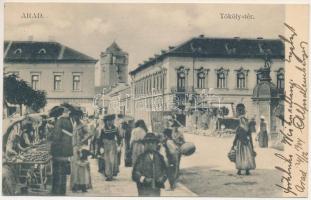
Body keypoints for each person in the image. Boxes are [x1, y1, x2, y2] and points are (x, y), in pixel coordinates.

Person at [132, 132, 168, 196]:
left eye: (153, 143)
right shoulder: (141, 157)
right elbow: (135, 173)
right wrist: (143, 179)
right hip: (143, 188)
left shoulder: (160, 157)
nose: (150, 145)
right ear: (144, 145)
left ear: (156, 145)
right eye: (148, 143)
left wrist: (162, 178)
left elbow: (165, 170)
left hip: (156, 188)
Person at [51, 107, 74, 195]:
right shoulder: (68, 121)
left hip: (59, 151)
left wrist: (52, 149)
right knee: (63, 172)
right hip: (67, 151)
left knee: (57, 171)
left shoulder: (59, 121)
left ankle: (56, 191)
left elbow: (56, 137)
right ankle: (62, 191)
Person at [70, 109, 92, 192]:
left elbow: (90, 133)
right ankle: (76, 184)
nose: (75, 117)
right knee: (75, 167)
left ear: (79, 116)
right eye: (74, 115)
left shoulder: (83, 124)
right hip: (74, 148)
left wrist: (83, 140)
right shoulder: (74, 124)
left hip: (81, 148)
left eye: (76, 115)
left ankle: (83, 185)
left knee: (82, 167)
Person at [163, 116, 185, 190]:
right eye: (173, 126)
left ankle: (173, 182)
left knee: (175, 166)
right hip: (170, 151)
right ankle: (172, 183)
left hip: (176, 151)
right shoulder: (168, 131)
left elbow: (183, 141)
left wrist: (179, 142)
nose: (174, 128)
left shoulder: (179, 133)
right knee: (172, 167)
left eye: (175, 126)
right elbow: (165, 140)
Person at [232, 111, 256, 176]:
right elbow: (250, 137)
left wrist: (233, 145)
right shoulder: (247, 128)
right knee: (247, 156)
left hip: (240, 144)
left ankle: (239, 170)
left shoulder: (239, 128)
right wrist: (252, 146)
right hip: (247, 144)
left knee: (240, 156)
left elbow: (236, 137)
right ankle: (247, 171)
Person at [99, 114, 122, 181]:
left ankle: (110, 175)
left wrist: (119, 145)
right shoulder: (103, 129)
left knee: (112, 160)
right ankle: (108, 174)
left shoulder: (115, 128)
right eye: (109, 121)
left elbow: (118, 137)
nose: (110, 122)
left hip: (112, 144)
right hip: (105, 145)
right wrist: (101, 147)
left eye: (111, 121)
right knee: (107, 160)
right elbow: (100, 138)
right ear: (106, 121)